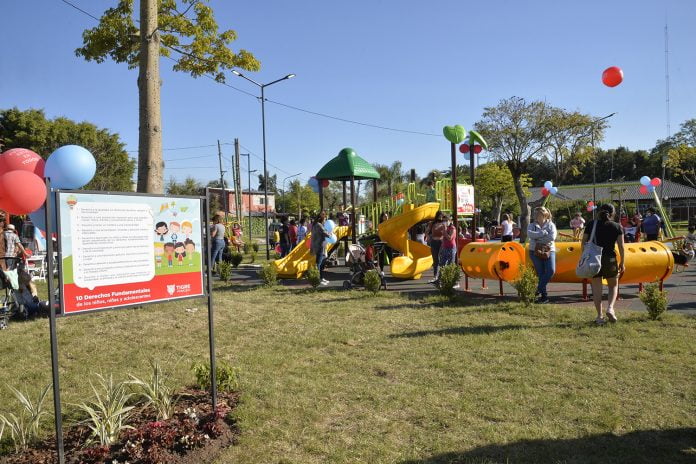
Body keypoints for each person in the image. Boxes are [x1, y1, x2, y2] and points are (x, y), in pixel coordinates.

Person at [582, 204, 625, 324]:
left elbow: (583, 242)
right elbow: (621, 246)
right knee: (613, 285)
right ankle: (610, 308)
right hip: (610, 258)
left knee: (596, 288)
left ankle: (599, 317)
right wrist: (623, 262)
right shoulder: (617, 226)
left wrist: (584, 256)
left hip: (594, 259)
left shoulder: (591, 224)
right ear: (613, 213)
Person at [527, 206, 557, 303]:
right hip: (534, 251)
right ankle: (544, 297)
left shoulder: (551, 225)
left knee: (550, 271)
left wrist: (538, 239)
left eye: (538, 213)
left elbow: (552, 237)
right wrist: (543, 233)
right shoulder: (532, 225)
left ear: (544, 214)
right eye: (535, 214)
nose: (535, 215)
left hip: (549, 250)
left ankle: (537, 290)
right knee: (540, 273)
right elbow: (530, 234)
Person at [434, 214, 458, 287]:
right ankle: (440, 280)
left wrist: (444, 231)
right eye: (444, 221)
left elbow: (449, 238)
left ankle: (454, 282)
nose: (445, 222)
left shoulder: (452, 228)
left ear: (449, 221)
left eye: (446, 220)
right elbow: (443, 238)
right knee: (442, 264)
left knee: (451, 265)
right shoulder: (445, 228)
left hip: (451, 248)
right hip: (444, 248)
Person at [310, 212, 330, 285]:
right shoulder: (319, 225)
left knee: (320, 263)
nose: (325, 220)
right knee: (319, 263)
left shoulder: (314, 224)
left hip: (316, 245)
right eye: (324, 218)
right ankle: (317, 278)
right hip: (319, 245)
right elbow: (326, 233)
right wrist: (331, 233)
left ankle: (320, 277)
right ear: (322, 219)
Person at [426, 211, 445, 283]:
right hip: (434, 242)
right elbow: (427, 231)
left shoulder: (444, 223)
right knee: (435, 259)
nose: (440, 217)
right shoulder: (432, 223)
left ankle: (442, 276)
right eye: (439, 216)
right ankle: (435, 276)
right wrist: (429, 238)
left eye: (441, 216)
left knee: (442, 259)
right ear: (437, 216)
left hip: (442, 242)